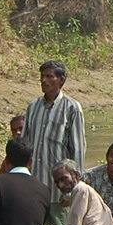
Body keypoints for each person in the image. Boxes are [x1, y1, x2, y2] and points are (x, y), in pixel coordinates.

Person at [21, 60, 85, 189]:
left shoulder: (72, 108)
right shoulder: (33, 107)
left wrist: (75, 186)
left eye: (49, 76)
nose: (44, 80)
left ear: (61, 80)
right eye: (42, 76)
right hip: (33, 183)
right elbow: (24, 143)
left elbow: (77, 150)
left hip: (59, 188)